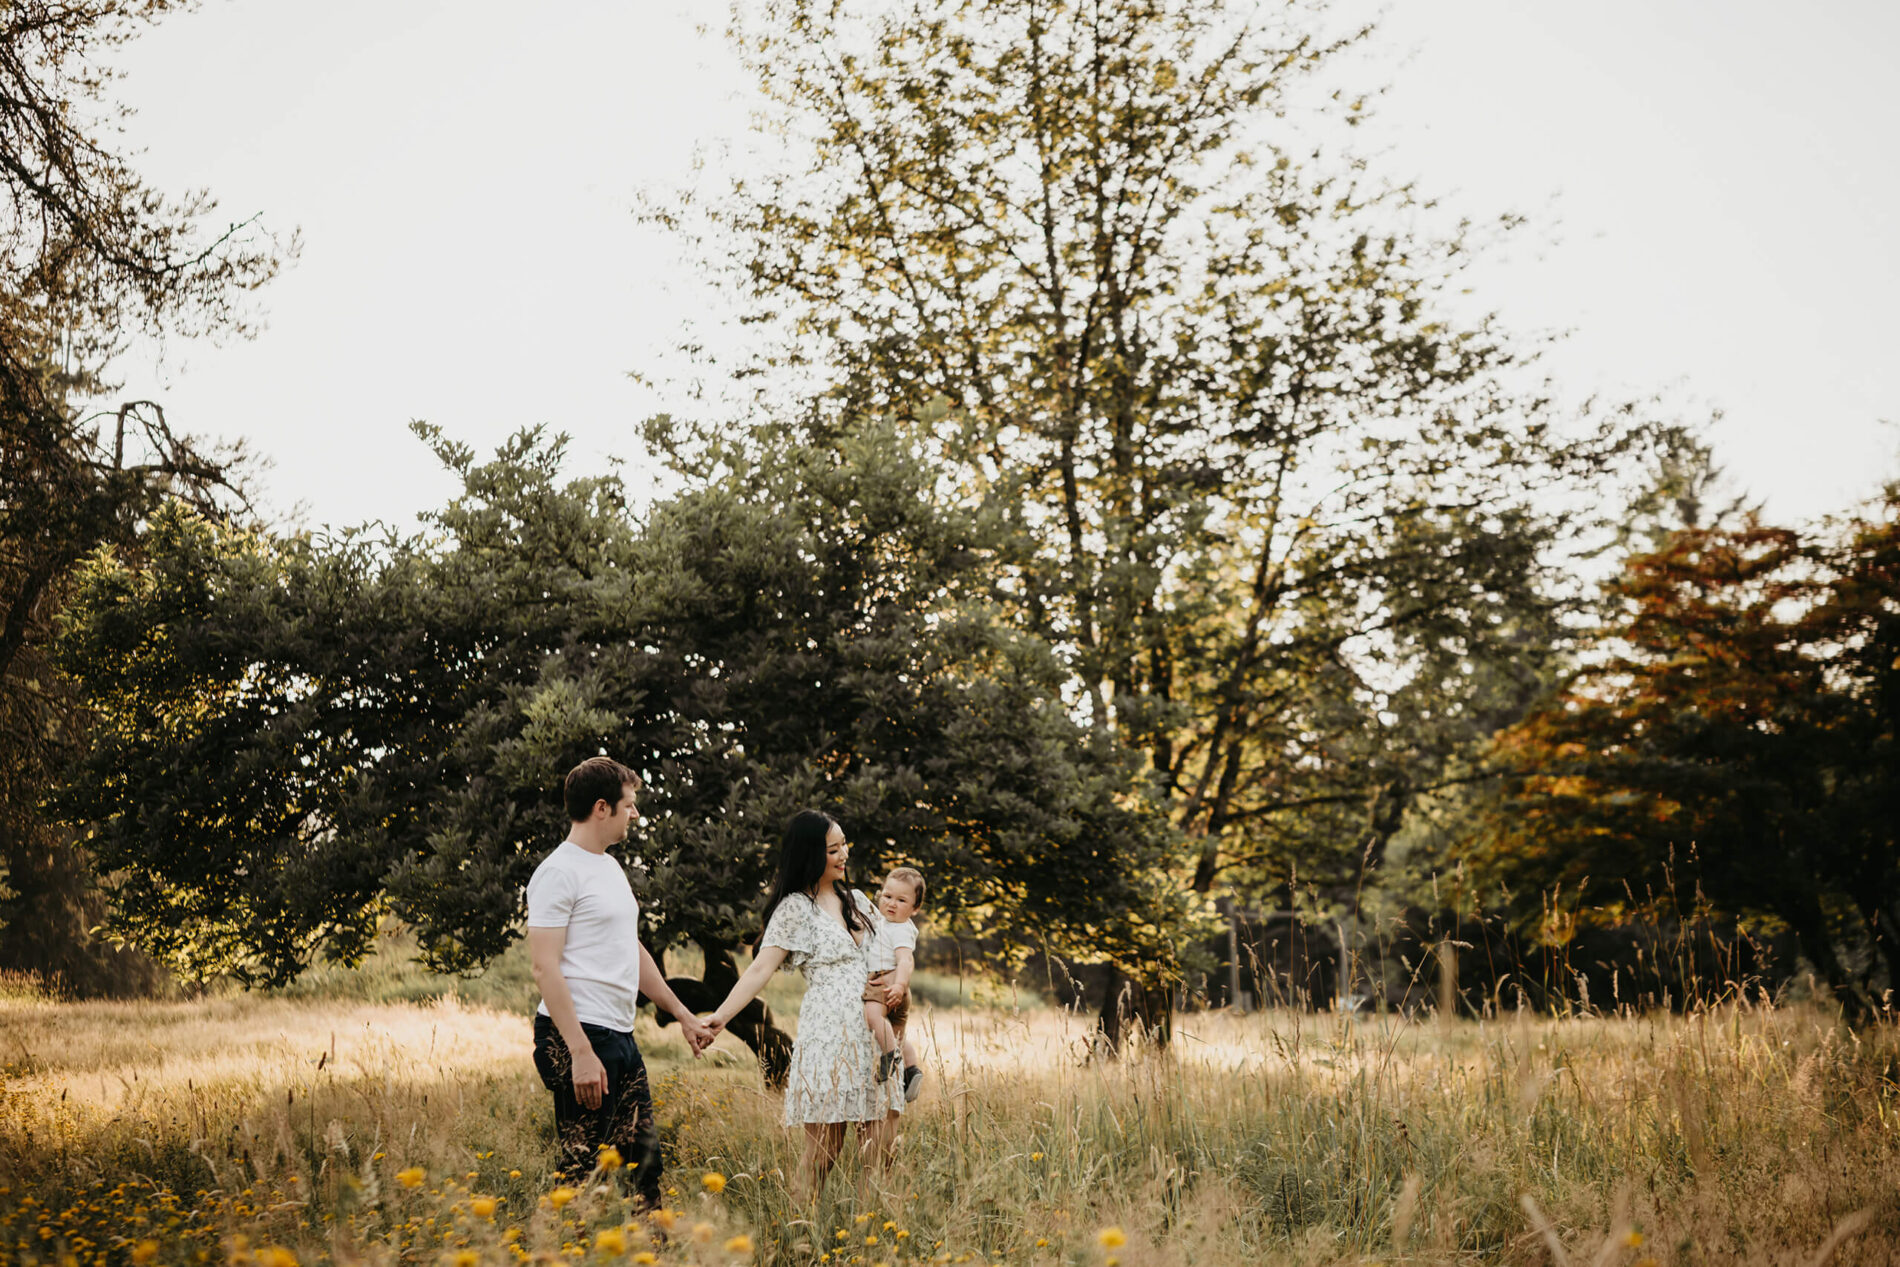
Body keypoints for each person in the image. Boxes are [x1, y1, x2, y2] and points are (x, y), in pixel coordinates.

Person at [527, 757, 715, 1205]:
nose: (635, 814)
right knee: (584, 1171)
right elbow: (544, 968)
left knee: (645, 1164)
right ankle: (565, 1249)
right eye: (629, 805)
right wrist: (580, 1052)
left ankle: (650, 1248)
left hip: (618, 1035)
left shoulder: (609, 868)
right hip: (578, 1035)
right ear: (601, 808)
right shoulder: (558, 873)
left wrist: (684, 1015)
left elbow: (631, 949)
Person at [705, 810, 904, 1197]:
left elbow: (896, 951)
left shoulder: (860, 901)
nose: (844, 853)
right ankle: (801, 1237)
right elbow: (760, 969)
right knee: (822, 1154)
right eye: (833, 849)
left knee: (879, 1152)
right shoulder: (795, 908)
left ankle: (871, 1241)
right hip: (830, 1040)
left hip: (875, 1036)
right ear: (811, 854)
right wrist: (720, 1017)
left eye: (845, 844)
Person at [862, 866, 925, 1102]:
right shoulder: (889, 923)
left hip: (886, 985)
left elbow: (905, 960)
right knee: (897, 1036)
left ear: (915, 908)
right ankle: (912, 1070)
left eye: (901, 900)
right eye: (887, 896)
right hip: (899, 990)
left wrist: (898, 986)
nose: (892, 904)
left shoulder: (900, 930)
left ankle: (891, 1057)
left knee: (872, 1015)